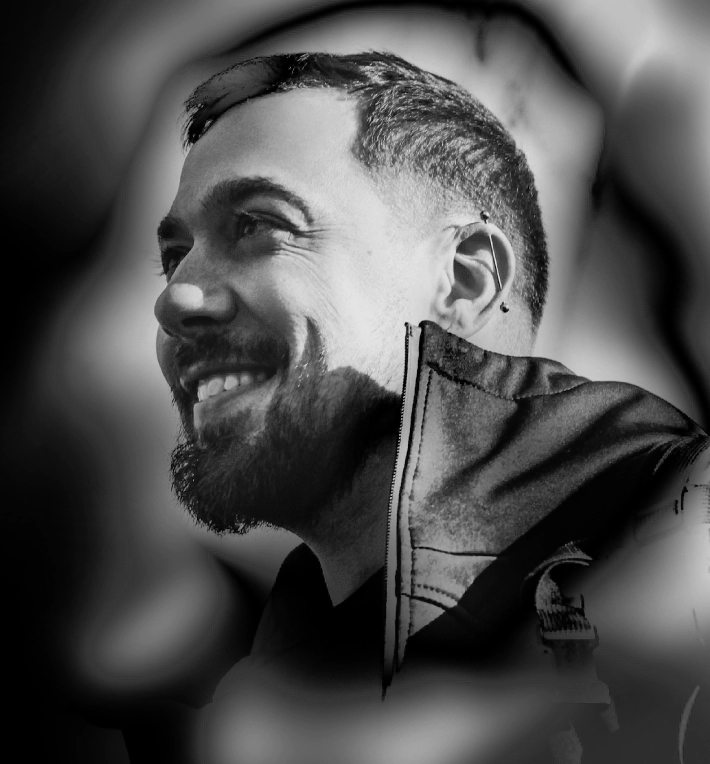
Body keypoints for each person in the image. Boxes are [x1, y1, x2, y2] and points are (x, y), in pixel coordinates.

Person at [151, 51, 707, 763]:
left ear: (467, 281)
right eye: (174, 256)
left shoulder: (682, 534)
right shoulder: (259, 692)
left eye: (260, 225)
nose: (174, 298)